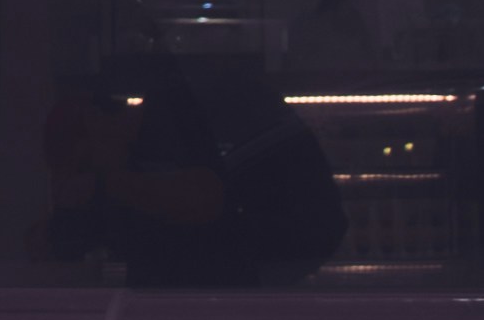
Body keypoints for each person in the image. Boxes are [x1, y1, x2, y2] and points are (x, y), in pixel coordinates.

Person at [43, 50, 340, 290]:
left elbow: (203, 198)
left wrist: (104, 185)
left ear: (94, 119)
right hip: (254, 280)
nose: (93, 169)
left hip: (258, 277)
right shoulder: (143, 150)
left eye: (86, 160)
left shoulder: (173, 115)